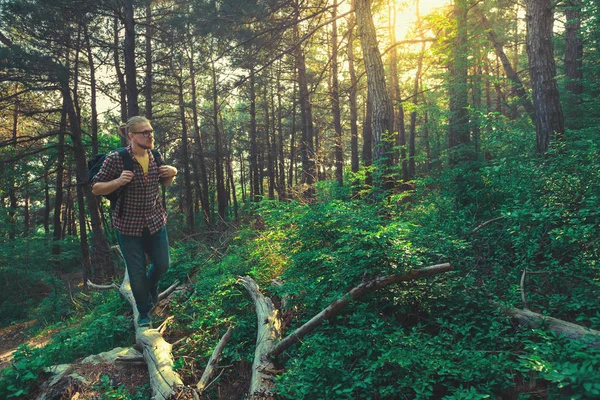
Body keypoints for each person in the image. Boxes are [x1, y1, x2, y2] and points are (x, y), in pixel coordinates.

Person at [91, 116, 178, 327]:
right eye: (144, 132)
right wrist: (118, 181)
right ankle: (144, 313)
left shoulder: (155, 155)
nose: (150, 136)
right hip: (128, 227)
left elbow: (164, 182)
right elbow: (95, 187)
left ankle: (151, 286)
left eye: (151, 131)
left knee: (163, 265)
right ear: (131, 136)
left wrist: (173, 173)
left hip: (156, 222)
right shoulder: (116, 159)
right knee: (136, 273)